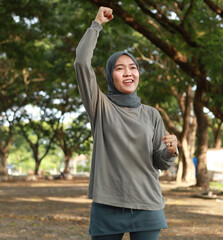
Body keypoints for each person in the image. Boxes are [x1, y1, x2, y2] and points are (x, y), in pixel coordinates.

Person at [74, 6, 178, 240]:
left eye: (133, 68)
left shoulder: (152, 114)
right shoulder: (100, 106)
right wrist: (96, 25)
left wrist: (171, 151)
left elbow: (159, 162)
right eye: (120, 69)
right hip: (107, 204)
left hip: (148, 204)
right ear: (111, 75)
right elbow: (81, 63)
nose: (128, 73)